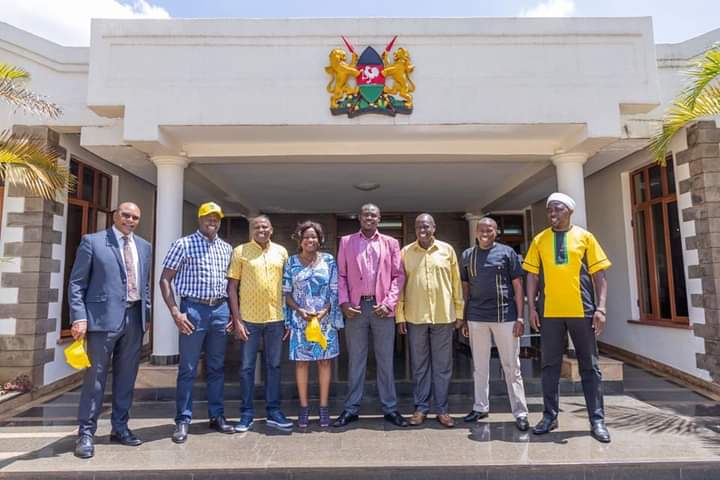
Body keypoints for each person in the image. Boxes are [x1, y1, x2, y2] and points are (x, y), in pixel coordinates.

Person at [523, 192, 612, 443]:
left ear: (569, 211)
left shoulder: (585, 237)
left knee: (590, 366)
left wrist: (601, 308)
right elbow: (531, 274)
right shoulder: (539, 240)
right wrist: (531, 308)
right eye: (550, 210)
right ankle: (550, 416)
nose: (552, 214)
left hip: (582, 311)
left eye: (558, 209)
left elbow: (599, 275)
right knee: (549, 366)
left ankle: (597, 420)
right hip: (549, 312)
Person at [69, 202, 152, 459]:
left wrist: (146, 313)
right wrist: (79, 317)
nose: (130, 220)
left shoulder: (144, 246)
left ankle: (120, 428)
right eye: (126, 215)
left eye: (135, 217)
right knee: (95, 379)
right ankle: (86, 433)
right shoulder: (92, 242)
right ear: (115, 216)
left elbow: (144, 284)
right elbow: (76, 283)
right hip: (101, 322)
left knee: (127, 378)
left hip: (134, 319)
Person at [159, 202, 234, 444]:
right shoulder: (183, 244)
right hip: (193, 309)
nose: (212, 221)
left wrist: (232, 314)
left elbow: (232, 286)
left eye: (216, 218)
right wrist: (175, 312)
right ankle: (183, 420)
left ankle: (217, 416)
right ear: (199, 219)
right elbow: (165, 280)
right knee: (188, 368)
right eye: (208, 217)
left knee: (216, 366)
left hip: (220, 308)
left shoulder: (226, 248)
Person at [333, 203, 408, 428]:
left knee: (386, 360)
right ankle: (351, 409)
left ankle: (390, 408)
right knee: (356, 360)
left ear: (379, 218)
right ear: (359, 217)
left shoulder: (391, 243)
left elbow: (398, 276)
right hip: (356, 308)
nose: (369, 217)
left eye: (373, 215)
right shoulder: (347, 242)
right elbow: (342, 275)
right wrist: (344, 302)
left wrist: (389, 303)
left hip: (382, 309)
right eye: (365, 214)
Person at [458, 217, 530, 431]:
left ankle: (520, 412)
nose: (485, 233)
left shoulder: (507, 253)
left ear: (496, 232)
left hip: (505, 317)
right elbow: (465, 289)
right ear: (476, 232)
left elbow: (518, 286)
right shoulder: (467, 256)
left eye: (489, 229)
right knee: (479, 366)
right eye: (481, 229)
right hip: (476, 318)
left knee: (511, 367)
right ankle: (480, 407)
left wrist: (519, 317)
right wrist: (463, 317)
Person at [396, 214, 464, 428]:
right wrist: (400, 315)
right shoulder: (406, 252)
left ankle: (442, 410)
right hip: (415, 317)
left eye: (425, 226)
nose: (421, 229)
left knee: (443, 365)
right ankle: (421, 408)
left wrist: (459, 312)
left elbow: (456, 283)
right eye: (418, 226)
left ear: (434, 227)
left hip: (443, 316)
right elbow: (399, 285)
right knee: (419, 365)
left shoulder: (447, 250)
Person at [227, 215, 291, 431]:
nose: (261, 230)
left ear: (271, 229)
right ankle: (246, 414)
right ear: (251, 230)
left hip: (275, 319)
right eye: (257, 227)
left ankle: (274, 411)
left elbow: (287, 287)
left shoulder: (281, 252)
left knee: (274, 366)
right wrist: (237, 320)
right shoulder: (240, 251)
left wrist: (288, 318)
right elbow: (232, 289)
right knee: (246, 368)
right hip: (249, 320)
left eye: (264, 227)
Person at [283, 221, 342, 428]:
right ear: (300, 240)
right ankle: (304, 407)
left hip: (324, 321)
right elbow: (286, 292)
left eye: (314, 236)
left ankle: (324, 407)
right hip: (301, 321)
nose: (310, 240)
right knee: (301, 363)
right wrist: (299, 310)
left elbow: (335, 289)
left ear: (320, 239)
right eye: (306, 236)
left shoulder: (329, 261)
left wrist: (326, 310)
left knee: (325, 362)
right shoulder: (291, 262)